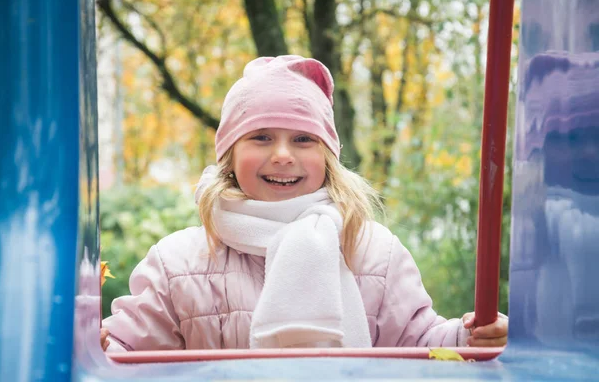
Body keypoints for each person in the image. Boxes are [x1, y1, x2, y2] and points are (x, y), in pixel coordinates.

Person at [101, 55, 507, 352]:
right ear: (229, 153)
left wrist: (468, 337)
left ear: (327, 155)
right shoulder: (178, 263)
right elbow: (129, 354)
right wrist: (101, 347)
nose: (282, 154)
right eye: (260, 137)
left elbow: (418, 344)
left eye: (303, 139)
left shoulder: (373, 253)